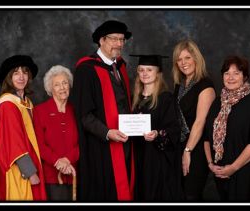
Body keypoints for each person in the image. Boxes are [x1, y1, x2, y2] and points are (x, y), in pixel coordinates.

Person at [71, 20, 134, 201]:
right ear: (101, 40)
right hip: (100, 146)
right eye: (114, 39)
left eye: (122, 40)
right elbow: (84, 114)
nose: (119, 44)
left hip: (125, 141)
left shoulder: (120, 66)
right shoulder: (86, 69)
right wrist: (107, 133)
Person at [204, 55, 250, 201]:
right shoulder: (217, 103)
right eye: (227, 73)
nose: (230, 77)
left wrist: (233, 168)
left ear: (245, 76)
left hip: (245, 171)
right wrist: (210, 164)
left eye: (236, 73)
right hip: (220, 171)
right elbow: (207, 136)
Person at [0, 55, 46, 200]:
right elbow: (14, 142)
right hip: (19, 171)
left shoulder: (26, 103)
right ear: (9, 77)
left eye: (24, 72)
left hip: (32, 164)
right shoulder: (8, 105)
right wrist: (31, 173)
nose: (21, 77)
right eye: (16, 73)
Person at [130, 54, 182, 201]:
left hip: (157, 160)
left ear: (158, 73)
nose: (144, 73)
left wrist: (157, 134)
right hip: (138, 157)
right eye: (141, 70)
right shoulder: (135, 99)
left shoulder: (165, 98)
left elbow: (174, 129)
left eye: (149, 70)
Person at [172, 40, 216, 201]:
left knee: (191, 194)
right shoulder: (180, 85)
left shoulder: (206, 86)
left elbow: (200, 122)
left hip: (196, 148)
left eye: (187, 58)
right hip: (179, 145)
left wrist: (187, 151)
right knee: (180, 194)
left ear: (196, 59)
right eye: (179, 59)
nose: (183, 63)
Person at [33, 65, 79, 201]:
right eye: (57, 85)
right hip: (51, 176)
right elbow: (39, 144)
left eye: (65, 83)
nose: (62, 87)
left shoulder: (77, 110)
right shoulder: (40, 111)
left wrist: (68, 159)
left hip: (74, 173)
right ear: (50, 88)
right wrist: (58, 161)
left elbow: (83, 141)